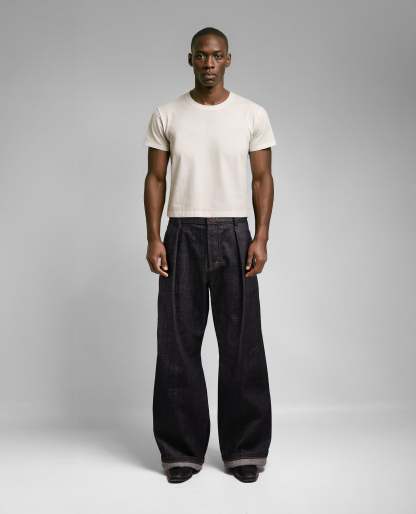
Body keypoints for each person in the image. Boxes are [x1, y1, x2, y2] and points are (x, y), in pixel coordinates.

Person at [143, 26, 276, 483]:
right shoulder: (167, 114)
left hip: (234, 233)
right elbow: (155, 178)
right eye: (201, 56)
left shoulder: (251, 114)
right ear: (190, 59)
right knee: (177, 345)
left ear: (228, 59)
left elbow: (262, 178)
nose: (209, 63)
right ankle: (181, 452)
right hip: (181, 233)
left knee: (242, 344)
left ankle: (245, 450)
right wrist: (154, 237)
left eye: (217, 55)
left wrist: (261, 236)